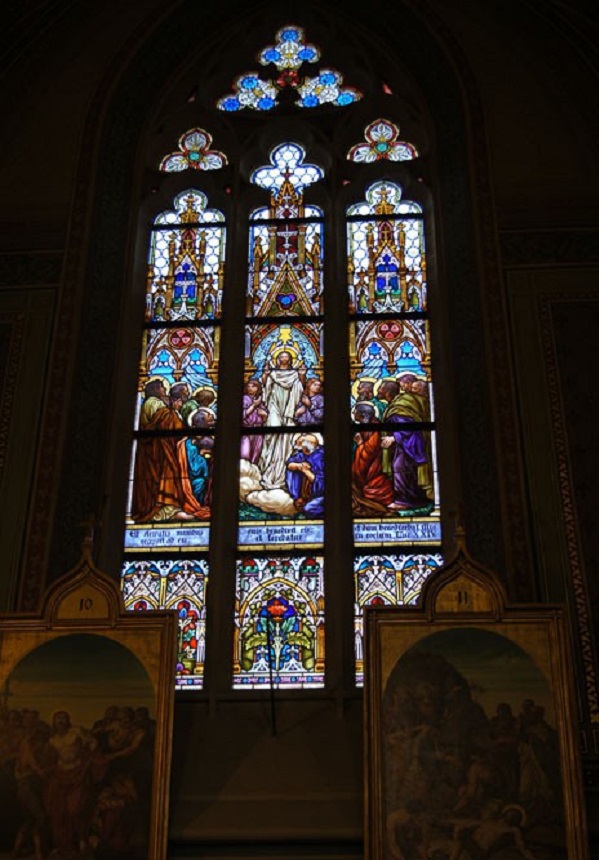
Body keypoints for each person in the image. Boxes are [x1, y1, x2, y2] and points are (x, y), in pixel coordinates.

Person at [131, 381, 191, 522]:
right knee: (162, 476)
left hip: (157, 447)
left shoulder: (154, 404)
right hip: (158, 448)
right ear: (155, 389)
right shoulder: (155, 403)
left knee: (156, 479)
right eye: (162, 387)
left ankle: (164, 510)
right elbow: (165, 424)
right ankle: (163, 511)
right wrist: (172, 411)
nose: (164, 389)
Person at [44, 710, 97, 853]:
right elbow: (50, 758)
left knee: (75, 808)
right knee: (59, 810)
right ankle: (64, 844)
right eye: (58, 719)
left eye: (63, 718)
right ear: (54, 722)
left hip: (78, 772)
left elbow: (93, 743)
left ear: (68, 720)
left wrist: (88, 758)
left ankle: (82, 838)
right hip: (60, 774)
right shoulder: (52, 740)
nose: (61, 721)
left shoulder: (76, 732)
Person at [378, 379, 431, 511]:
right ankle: (415, 499)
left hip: (409, 443)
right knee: (406, 469)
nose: (378, 390)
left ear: (387, 392)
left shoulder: (399, 407)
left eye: (380, 388)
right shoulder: (396, 404)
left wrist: (393, 438)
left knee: (400, 467)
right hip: (405, 443)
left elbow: (407, 428)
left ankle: (404, 501)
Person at [259, 350, 306, 489]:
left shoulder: (294, 374)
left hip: (289, 406)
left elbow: (301, 387)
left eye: (286, 356)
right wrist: (265, 374)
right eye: (281, 356)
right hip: (274, 404)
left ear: (290, 359)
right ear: (278, 359)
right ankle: (269, 467)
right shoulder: (273, 373)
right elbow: (265, 387)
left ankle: (283, 473)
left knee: (287, 435)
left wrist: (302, 375)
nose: (284, 358)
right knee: (273, 429)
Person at [351, 402, 394, 513]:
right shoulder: (365, 425)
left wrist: (360, 444)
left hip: (374, 465)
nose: (353, 413)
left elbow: (370, 452)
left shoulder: (375, 428)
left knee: (369, 487)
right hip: (369, 464)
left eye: (355, 412)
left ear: (363, 415)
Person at [285, 433, 325, 516]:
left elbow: (321, 484)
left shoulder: (321, 457)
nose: (301, 449)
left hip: (321, 494)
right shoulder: (303, 455)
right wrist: (299, 466)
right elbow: (289, 464)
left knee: (308, 509)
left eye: (302, 447)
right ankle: (299, 497)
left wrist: (306, 472)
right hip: (307, 492)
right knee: (292, 470)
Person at [241, 378, 268, 463]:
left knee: (256, 455)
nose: (250, 388)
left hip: (258, 431)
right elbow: (242, 415)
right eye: (248, 386)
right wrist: (253, 406)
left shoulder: (259, 401)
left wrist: (264, 415)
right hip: (246, 430)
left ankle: (253, 469)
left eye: (253, 386)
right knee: (245, 453)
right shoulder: (244, 399)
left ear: (258, 388)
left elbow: (264, 420)